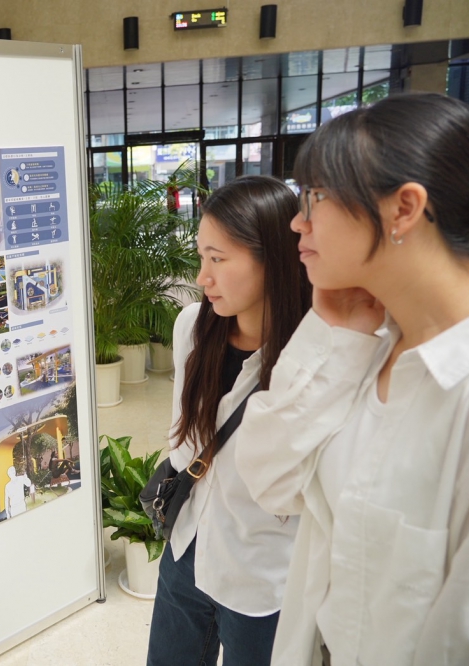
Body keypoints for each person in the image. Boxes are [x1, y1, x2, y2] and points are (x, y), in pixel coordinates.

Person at [233, 93, 469, 665]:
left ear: (404, 208)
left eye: (314, 197)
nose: (297, 221)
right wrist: (333, 332)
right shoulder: (369, 342)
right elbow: (268, 481)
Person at [147, 176, 312, 666]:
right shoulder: (192, 328)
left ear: (273, 260)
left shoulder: (308, 357)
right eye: (202, 256)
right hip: (186, 548)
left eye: (218, 259)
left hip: (262, 575)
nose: (203, 277)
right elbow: (182, 443)